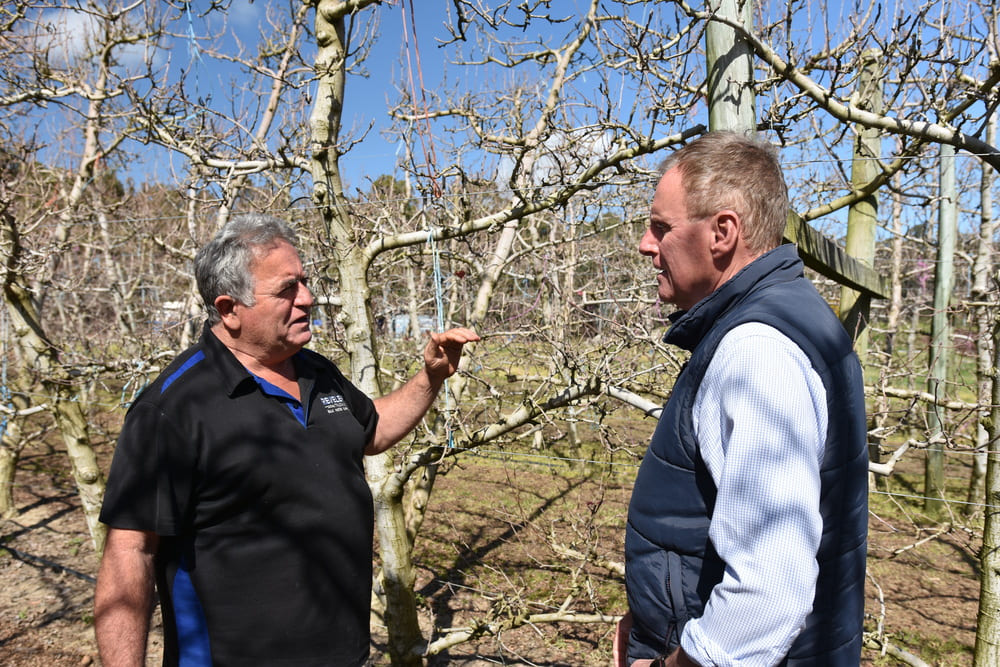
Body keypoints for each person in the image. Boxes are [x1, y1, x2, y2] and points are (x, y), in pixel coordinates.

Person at [94, 213, 479, 666]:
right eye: (286, 290)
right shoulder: (174, 407)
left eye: (304, 281)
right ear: (228, 308)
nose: (308, 298)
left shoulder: (316, 369)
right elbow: (130, 551)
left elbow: (370, 429)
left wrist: (431, 377)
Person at [618, 132, 868, 666]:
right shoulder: (790, 315)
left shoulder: (756, 351)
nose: (645, 244)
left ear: (722, 233)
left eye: (661, 227)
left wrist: (674, 662)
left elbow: (768, 590)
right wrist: (650, 618)